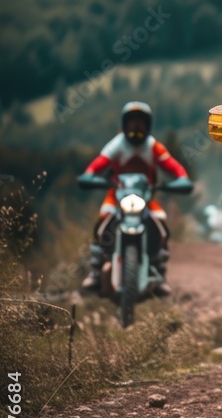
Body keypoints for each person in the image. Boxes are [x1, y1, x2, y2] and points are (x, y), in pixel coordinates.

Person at [80, 101, 189, 295]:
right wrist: (89, 175)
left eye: (140, 123)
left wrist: (182, 179)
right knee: (103, 220)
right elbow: (97, 164)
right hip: (116, 196)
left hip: (145, 198)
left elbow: (173, 167)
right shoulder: (117, 144)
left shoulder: (153, 146)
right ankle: (95, 272)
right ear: (124, 124)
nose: (136, 127)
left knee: (161, 224)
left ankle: (159, 273)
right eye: (132, 122)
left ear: (148, 125)